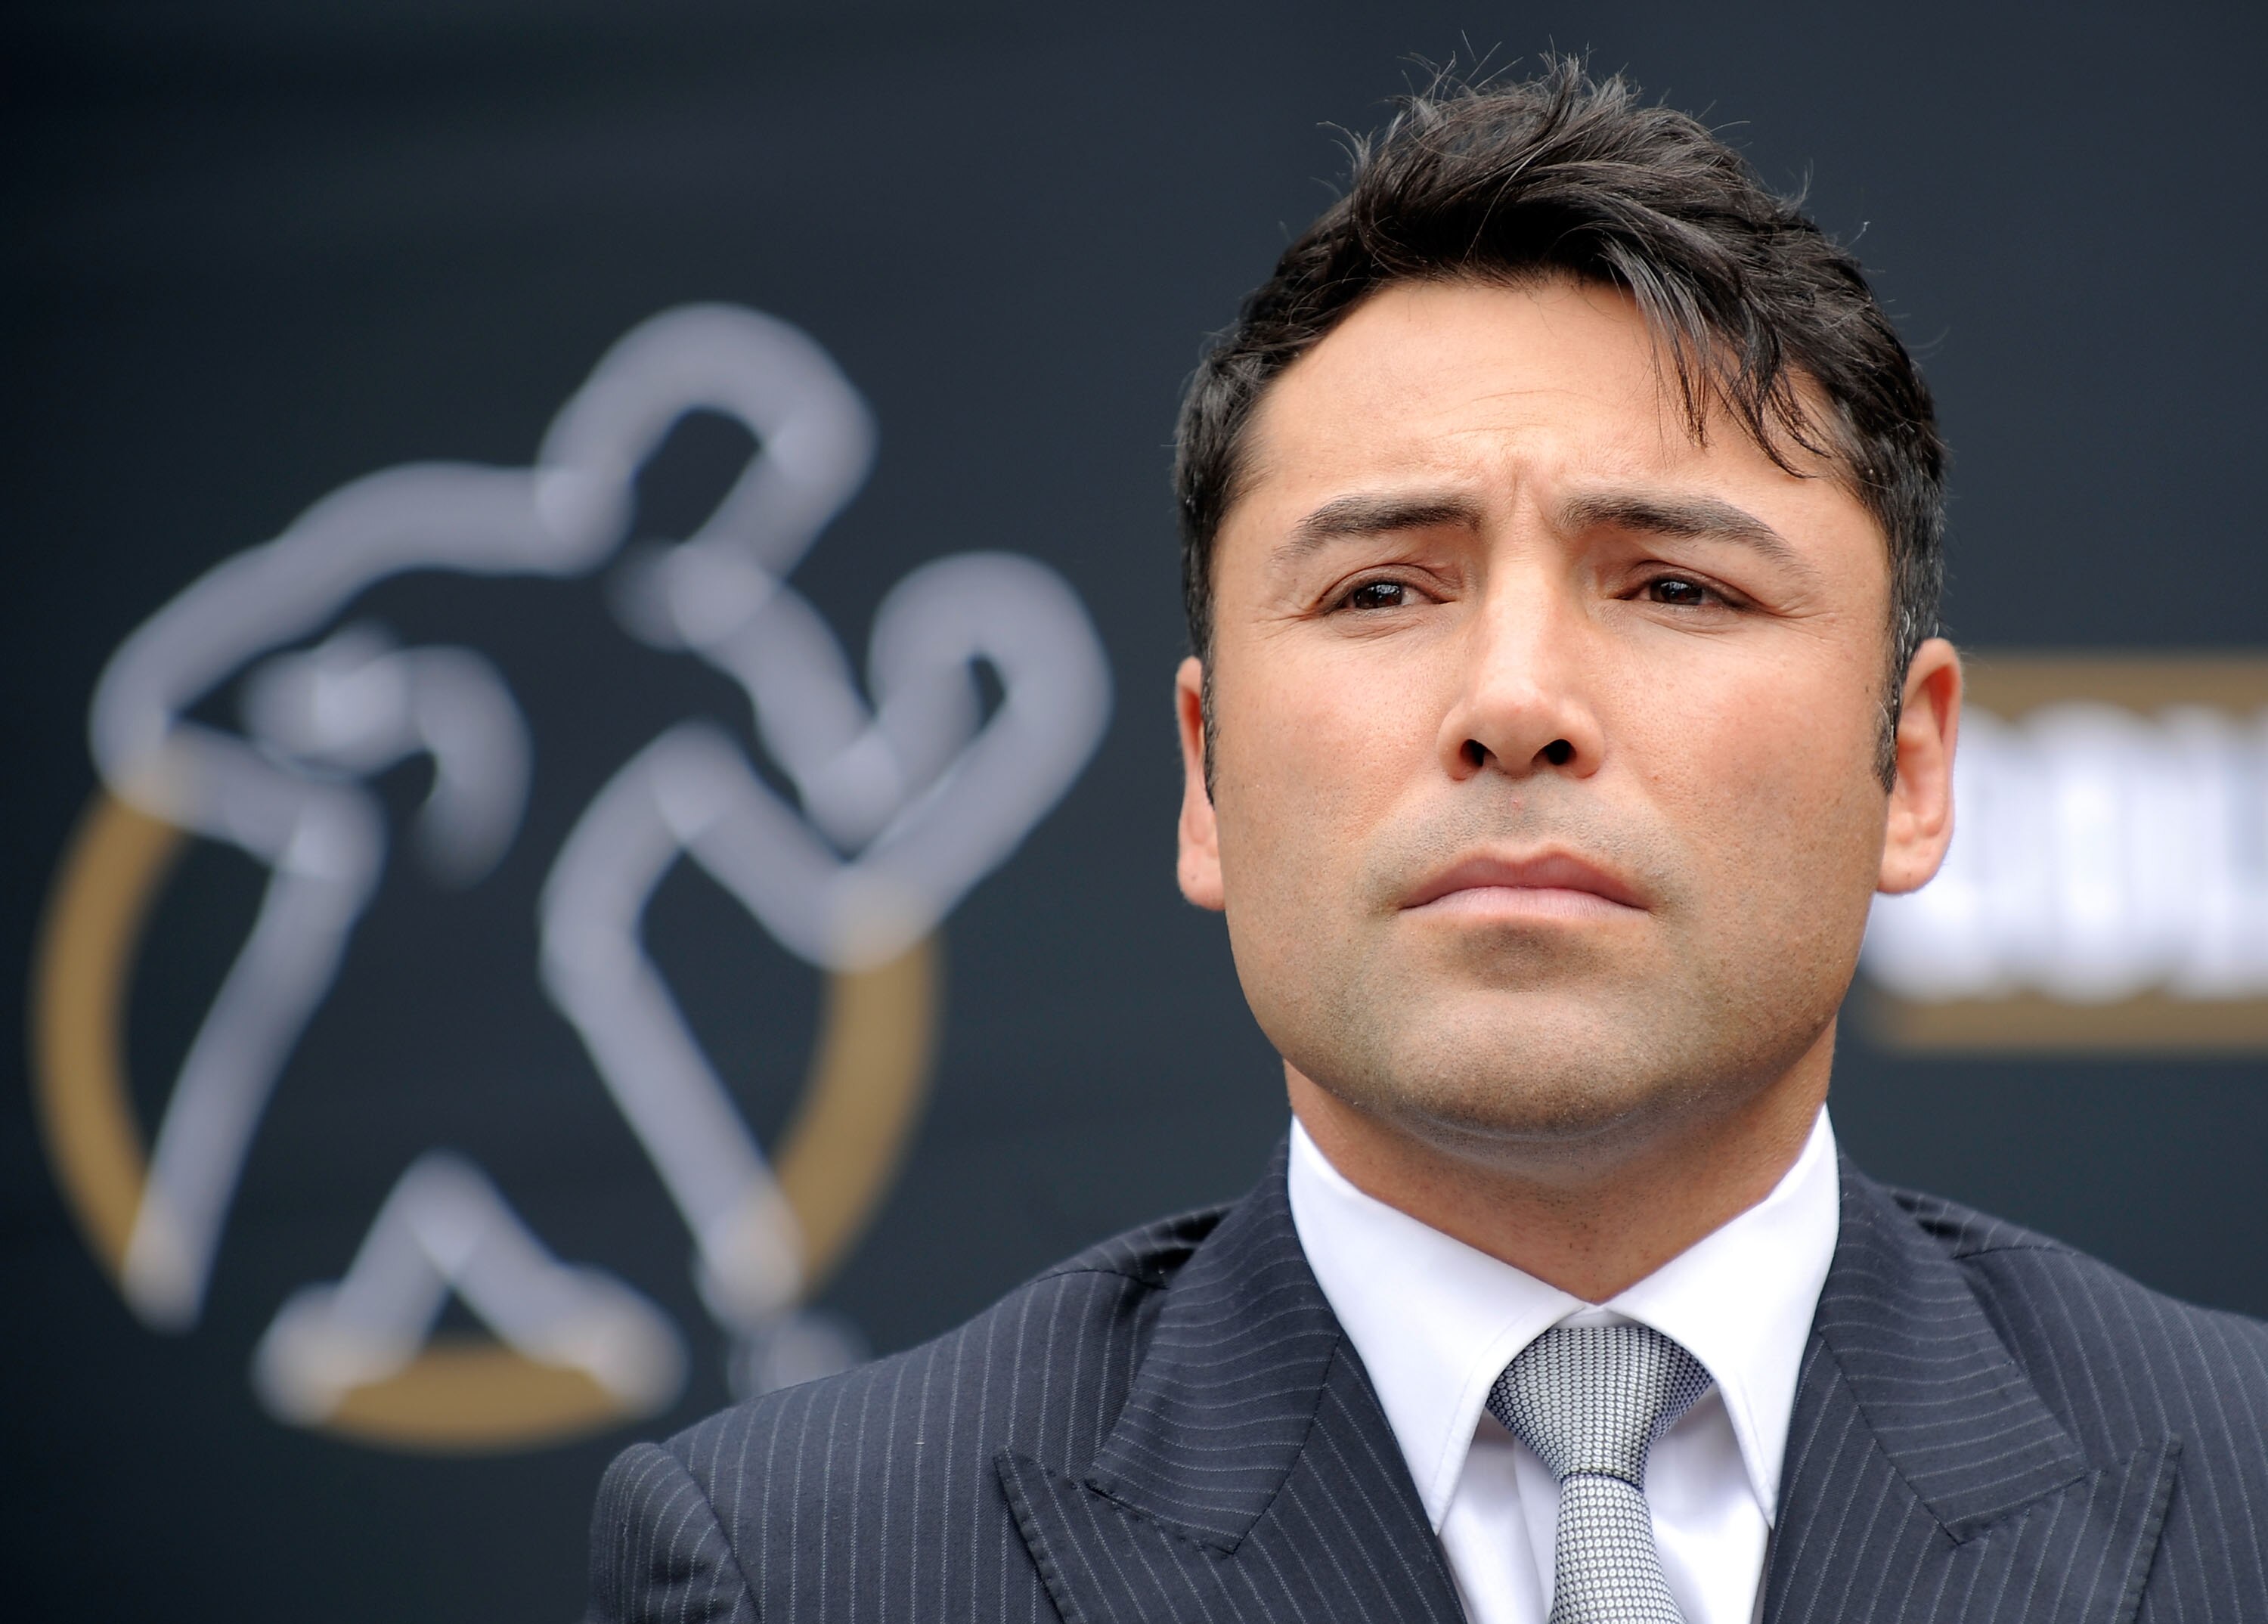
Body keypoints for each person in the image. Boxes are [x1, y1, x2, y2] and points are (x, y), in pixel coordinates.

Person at [588, 60, 2268, 1624]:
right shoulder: (808, 1562)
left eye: (1677, 587)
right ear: (1207, 775)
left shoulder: (2243, 1494)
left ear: (1911, 770)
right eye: (1383, 590)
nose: (1516, 700)